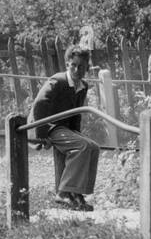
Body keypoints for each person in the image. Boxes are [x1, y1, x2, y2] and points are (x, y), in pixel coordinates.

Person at [30, 45, 99, 212]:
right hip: (48, 126)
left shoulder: (83, 86)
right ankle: (63, 193)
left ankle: (77, 194)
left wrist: (77, 134)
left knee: (93, 147)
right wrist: (41, 134)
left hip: (64, 129)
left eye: (81, 66)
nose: (76, 69)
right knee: (83, 146)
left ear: (87, 68)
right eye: (73, 65)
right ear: (67, 64)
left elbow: (76, 113)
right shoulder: (58, 81)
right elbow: (39, 106)